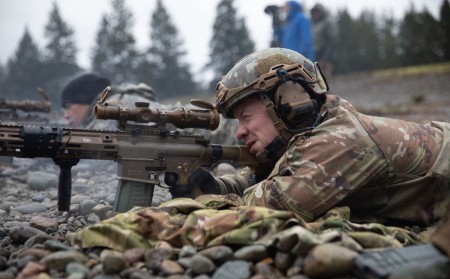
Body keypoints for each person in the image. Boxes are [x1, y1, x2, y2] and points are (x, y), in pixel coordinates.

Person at [170, 47, 450, 227]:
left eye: (247, 117)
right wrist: (215, 186)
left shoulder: (342, 139)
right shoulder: (310, 134)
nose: (240, 131)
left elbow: (271, 206)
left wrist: (207, 201)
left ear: (288, 102)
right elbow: (267, 178)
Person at [61, 73, 157, 129]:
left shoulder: (110, 110)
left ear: (86, 101)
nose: (66, 115)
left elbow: (96, 160)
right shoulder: (122, 99)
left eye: (68, 107)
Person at [310, 3, 338, 81]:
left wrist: (325, 58)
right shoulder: (313, 24)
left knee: (325, 83)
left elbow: (331, 41)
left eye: (317, 12)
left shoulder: (327, 22)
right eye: (314, 12)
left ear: (322, 12)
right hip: (315, 58)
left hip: (325, 58)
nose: (316, 14)